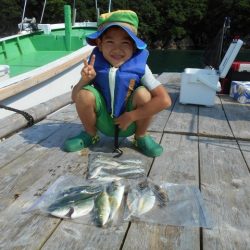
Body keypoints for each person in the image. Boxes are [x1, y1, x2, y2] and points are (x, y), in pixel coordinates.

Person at [63, 10, 172, 157]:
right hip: (103, 121)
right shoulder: (94, 66)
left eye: (125, 43)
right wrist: (85, 80)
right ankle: (90, 134)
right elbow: (75, 97)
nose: (117, 49)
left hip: (130, 121)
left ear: (133, 47)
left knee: (144, 94)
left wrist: (132, 116)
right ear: (100, 45)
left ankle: (141, 137)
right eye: (110, 42)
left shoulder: (141, 68)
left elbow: (164, 101)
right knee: (84, 94)